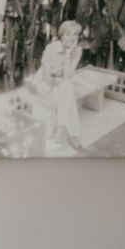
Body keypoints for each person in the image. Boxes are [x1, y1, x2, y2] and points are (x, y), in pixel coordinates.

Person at [31, 19, 85, 153]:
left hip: (61, 84)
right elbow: (46, 76)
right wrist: (59, 81)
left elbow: (67, 75)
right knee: (68, 93)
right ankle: (72, 134)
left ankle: (61, 130)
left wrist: (67, 55)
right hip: (43, 83)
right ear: (61, 36)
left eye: (75, 35)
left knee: (67, 92)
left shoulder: (77, 51)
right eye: (67, 34)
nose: (71, 38)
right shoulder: (51, 48)